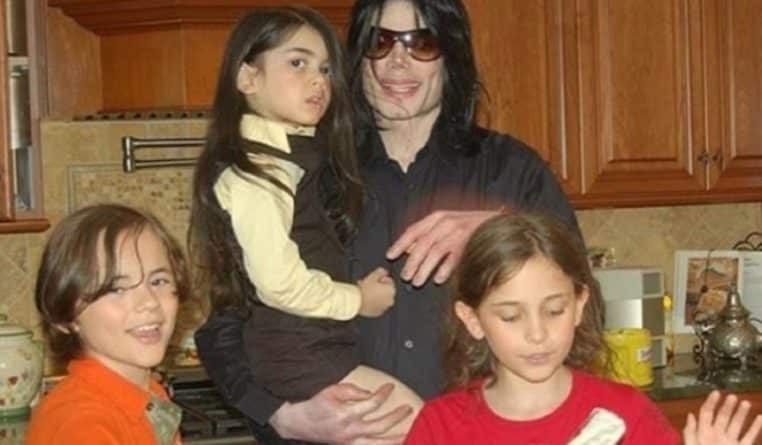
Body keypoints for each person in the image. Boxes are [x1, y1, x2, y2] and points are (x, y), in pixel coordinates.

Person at [193, 0, 580, 443]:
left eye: (421, 42)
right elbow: (225, 324)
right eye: (381, 41)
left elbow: (579, 302)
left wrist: (499, 230)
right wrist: (281, 415)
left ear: (451, 54)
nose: (398, 60)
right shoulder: (301, 172)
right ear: (357, 57)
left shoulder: (513, 171)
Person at [188, 5, 423, 439]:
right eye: (297, 63)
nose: (318, 80)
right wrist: (358, 299)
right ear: (247, 78)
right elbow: (277, 283)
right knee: (422, 427)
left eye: (325, 69)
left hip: (312, 348)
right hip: (299, 353)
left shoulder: (295, 160)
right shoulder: (258, 173)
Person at [403, 212, 762, 445]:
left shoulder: (628, 416)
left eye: (554, 311)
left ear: (578, 306)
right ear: (472, 320)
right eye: (511, 316)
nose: (537, 333)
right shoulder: (440, 428)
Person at [27, 204, 188, 445]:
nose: (149, 302)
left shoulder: (147, 394)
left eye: (158, 281)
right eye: (117, 289)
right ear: (67, 315)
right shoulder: (82, 423)